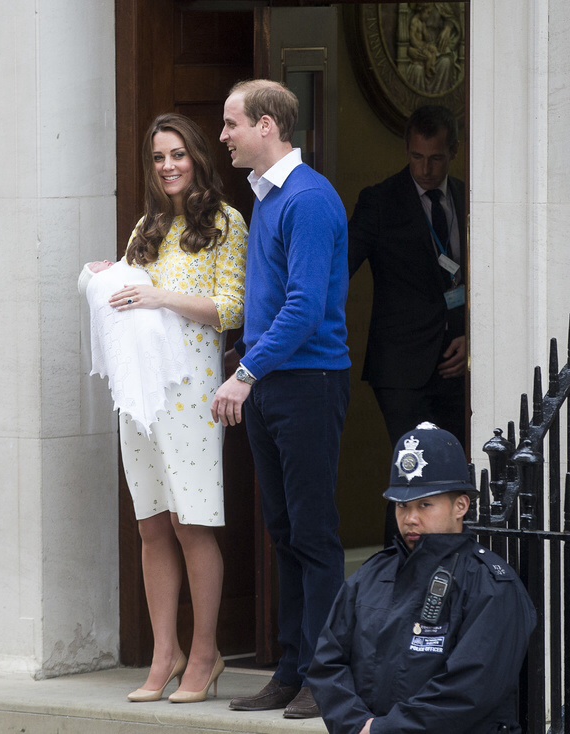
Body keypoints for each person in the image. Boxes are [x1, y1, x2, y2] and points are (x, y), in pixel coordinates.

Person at [85, 112, 247, 704]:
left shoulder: (225, 223)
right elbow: (128, 300)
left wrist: (159, 295)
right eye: (159, 158)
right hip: (141, 396)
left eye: (177, 154)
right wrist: (112, 277)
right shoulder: (147, 226)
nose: (168, 166)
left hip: (193, 394)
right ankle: (164, 654)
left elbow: (233, 308)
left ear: (197, 156)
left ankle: (204, 654)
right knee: (152, 526)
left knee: (191, 525)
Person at [211, 79, 351, 719]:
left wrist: (246, 372)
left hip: (309, 382)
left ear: (268, 126)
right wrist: (253, 372)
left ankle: (326, 677)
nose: (223, 136)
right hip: (273, 384)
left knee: (315, 535)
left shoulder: (310, 199)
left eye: (231, 123)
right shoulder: (268, 200)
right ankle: (291, 669)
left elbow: (306, 307)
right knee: (286, 532)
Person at [310, 422, 537, 734]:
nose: (410, 518)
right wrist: (357, 726)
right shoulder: (370, 576)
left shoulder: (491, 585)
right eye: (402, 506)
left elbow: (471, 689)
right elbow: (327, 663)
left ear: (461, 506)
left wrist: (384, 730)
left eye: (425, 505)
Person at [347, 104, 467, 545]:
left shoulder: (467, 196)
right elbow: (340, 268)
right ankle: (397, 573)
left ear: (452, 151)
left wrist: (470, 338)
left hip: (458, 365)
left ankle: (451, 573)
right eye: (417, 157)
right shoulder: (379, 201)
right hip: (400, 368)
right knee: (410, 471)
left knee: (454, 474)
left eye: (435, 158)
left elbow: (483, 277)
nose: (425, 168)